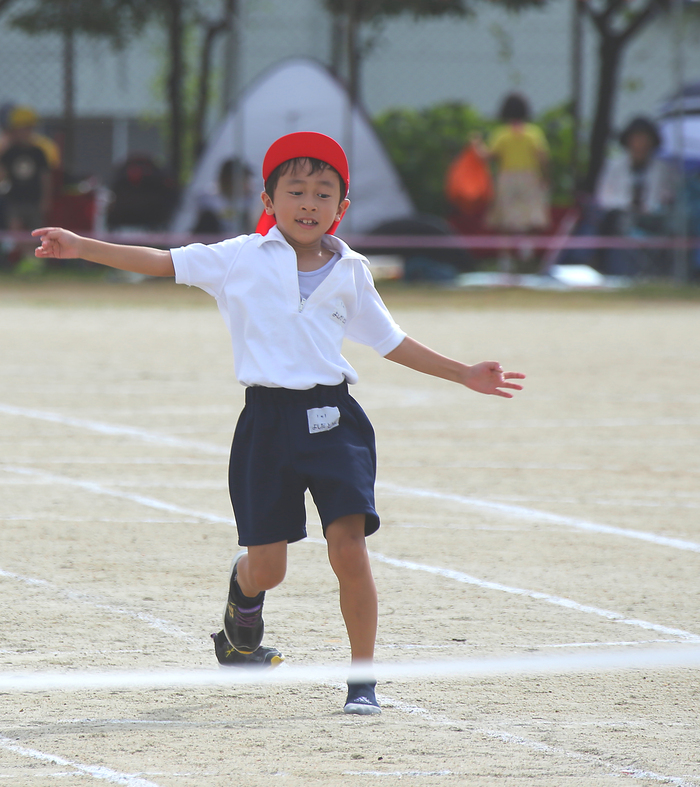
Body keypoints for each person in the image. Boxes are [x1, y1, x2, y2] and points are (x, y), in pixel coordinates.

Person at [33, 131, 525, 715]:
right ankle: (240, 617)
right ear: (269, 200)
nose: (309, 203)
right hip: (265, 424)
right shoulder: (237, 256)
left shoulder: (351, 269)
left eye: (323, 193)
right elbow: (159, 262)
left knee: (349, 547)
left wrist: (463, 372)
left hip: (335, 421)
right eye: (296, 190)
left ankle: (362, 682)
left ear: (342, 208)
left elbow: (391, 343)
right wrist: (80, 246)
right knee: (269, 567)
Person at [473, 93, 550, 271]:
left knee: (505, 221)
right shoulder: (533, 133)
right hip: (530, 178)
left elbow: (488, 156)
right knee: (530, 217)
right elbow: (543, 156)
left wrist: (476, 144)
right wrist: (546, 177)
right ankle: (526, 250)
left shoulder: (502, 133)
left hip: (507, 178)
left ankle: (505, 259)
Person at [595, 116, 675, 276]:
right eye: (636, 138)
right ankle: (602, 268)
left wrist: (649, 209)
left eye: (645, 138)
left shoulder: (663, 169)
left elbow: (666, 198)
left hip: (652, 220)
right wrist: (628, 206)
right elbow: (604, 198)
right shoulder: (614, 166)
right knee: (610, 220)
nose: (640, 143)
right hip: (621, 217)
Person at [0, 106, 52, 232]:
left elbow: (45, 178)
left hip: (34, 199)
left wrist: (46, 199)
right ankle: (18, 252)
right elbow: (2, 174)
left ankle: (32, 252)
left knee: (36, 230)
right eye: (21, 129)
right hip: (15, 200)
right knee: (15, 228)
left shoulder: (38, 152)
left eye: (29, 128)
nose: (25, 132)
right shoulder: (10, 152)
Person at [193, 157, 255, 236]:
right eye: (244, 179)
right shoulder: (207, 198)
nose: (247, 184)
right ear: (229, 179)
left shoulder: (249, 200)